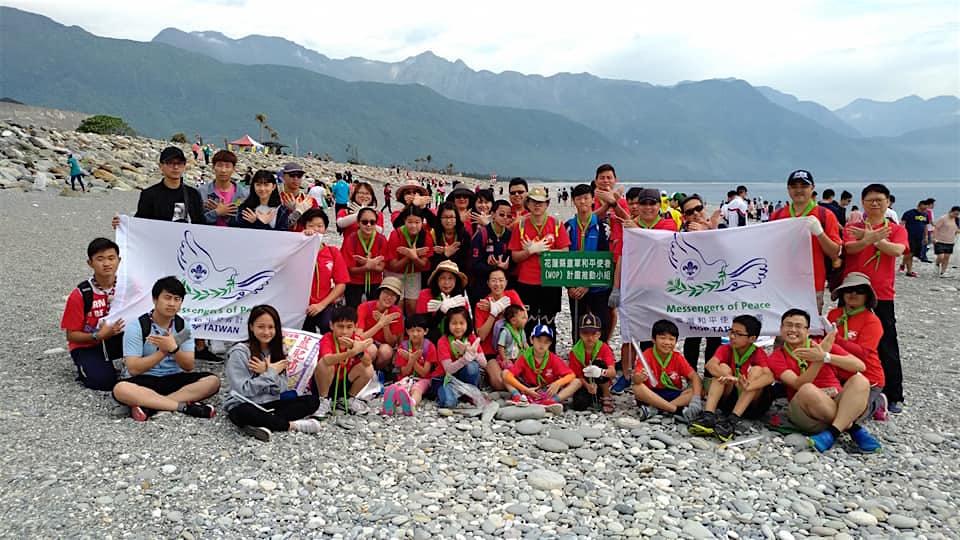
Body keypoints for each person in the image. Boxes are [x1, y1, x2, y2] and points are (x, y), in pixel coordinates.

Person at [765, 309, 881, 453]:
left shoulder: (821, 345)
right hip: (806, 410)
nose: (793, 330)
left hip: (835, 402)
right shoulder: (777, 357)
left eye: (799, 326)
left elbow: (860, 366)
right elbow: (798, 384)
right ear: (781, 329)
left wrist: (826, 356)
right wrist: (818, 360)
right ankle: (853, 428)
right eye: (788, 325)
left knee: (860, 380)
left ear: (807, 330)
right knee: (807, 389)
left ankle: (832, 432)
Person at [112, 276, 220, 421]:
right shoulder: (137, 326)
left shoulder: (183, 327)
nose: (172, 303)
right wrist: (163, 352)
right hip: (144, 379)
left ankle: (151, 405)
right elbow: (133, 368)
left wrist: (174, 349)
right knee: (121, 389)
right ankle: (183, 407)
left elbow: (188, 366)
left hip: (173, 377)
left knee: (213, 382)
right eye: (167, 298)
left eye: (177, 299)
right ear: (155, 299)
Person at [842, 184, 908, 413]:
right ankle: (848, 385)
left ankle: (893, 394)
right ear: (862, 202)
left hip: (881, 295)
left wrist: (873, 239)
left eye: (880, 200)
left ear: (888, 202)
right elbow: (849, 249)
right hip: (850, 290)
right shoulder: (852, 226)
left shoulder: (896, 229)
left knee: (886, 343)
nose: (875, 204)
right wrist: (868, 238)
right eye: (870, 200)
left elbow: (897, 250)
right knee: (846, 339)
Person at [610, 188, 678, 394]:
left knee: (656, 332)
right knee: (629, 333)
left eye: (653, 204)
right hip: (634, 287)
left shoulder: (668, 224)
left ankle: (654, 372)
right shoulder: (629, 227)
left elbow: (662, 242)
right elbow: (621, 257)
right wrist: (616, 288)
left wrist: (638, 232)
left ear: (659, 205)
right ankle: (627, 374)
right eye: (644, 203)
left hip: (659, 288)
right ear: (638, 205)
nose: (648, 208)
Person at [223, 305, 323, 441]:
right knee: (242, 412)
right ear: (251, 327)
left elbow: (281, 389)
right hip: (245, 402)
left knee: (312, 401)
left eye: (271, 327)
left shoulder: (277, 350)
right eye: (261, 327)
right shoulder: (239, 352)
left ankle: (260, 424)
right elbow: (243, 390)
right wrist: (270, 373)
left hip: (270, 402)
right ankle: (292, 425)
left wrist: (266, 371)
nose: (266, 332)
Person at [688, 315, 774, 441]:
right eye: (731, 332)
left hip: (753, 405)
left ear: (752, 338)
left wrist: (749, 385)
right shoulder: (726, 348)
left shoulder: (758, 353)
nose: (732, 336)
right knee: (721, 368)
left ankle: (732, 422)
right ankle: (708, 416)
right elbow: (710, 365)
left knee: (757, 371)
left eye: (738, 334)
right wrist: (729, 377)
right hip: (729, 400)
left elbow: (769, 376)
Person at [769, 170, 841, 313]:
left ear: (812, 188)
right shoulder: (777, 215)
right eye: (794, 186)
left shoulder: (825, 215)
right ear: (788, 189)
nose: (799, 190)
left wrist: (819, 233)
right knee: (782, 329)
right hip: (782, 284)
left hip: (813, 284)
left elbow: (834, 252)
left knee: (808, 330)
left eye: (804, 186)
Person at [508, 186, 571, 343]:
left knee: (548, 321)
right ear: (527, 203)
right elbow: (514, 256)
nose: (537, 205)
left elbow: (565, 252)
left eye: (541, 202)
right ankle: (528, 359)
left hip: (550, 280)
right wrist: (529, 251)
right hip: (527, 281)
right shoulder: (520, 226)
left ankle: (550, 359)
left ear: (547, 204)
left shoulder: (556, 224)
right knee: (527, 321)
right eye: (534, 202)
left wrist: (544, 252)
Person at [61, 238, 125, 390]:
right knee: (104, 382)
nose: (107, 264)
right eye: (100, 259)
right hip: (89, 344)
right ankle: (86, 369)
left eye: (111, 258)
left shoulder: (127, 286)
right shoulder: (81, 294)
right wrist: (98, 336)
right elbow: (71, 335)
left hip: (122, 339)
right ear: (90, 263)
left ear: (119, 260)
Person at [826, 272, 888, 420]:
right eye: (849, 290)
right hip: (838, 374)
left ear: (867, 296)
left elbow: (862, 353)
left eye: (860, 291)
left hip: (868, 377)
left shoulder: (872, 321)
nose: (853, 294)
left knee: (852, 416)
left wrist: (836, 339)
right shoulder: (833, 314)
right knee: (827, 411)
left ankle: (877, 403)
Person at [676, 194, 723, 375]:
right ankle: (691, 377)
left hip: (716, 293)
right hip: (692, 294)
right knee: (692, 337)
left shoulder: (720, 229)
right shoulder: (680, 236)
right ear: (684, 217)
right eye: (690, 212)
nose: (695, 214)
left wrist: (711, 231)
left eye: (698, 209)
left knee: (714, 337)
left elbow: (728, 254)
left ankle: (710, 378)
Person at [564, 183, 612, 340]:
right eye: (579, 199)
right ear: (573, 201)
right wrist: (570, 286)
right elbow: (563, 259)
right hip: (575, 285)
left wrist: (588, 283)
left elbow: (607, 260)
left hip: (599, 286)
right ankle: (577, 358)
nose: (582, 202)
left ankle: (601, 358)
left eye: (586, 198)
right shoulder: (568, 227)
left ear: (593, 200)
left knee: (601, 322)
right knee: (578, 323)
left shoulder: (603, 227)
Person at [631, 319, 703, 421]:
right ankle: (676, 410)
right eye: (662, 338)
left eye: (671, 339)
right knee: (637, 388)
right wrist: (639, 378)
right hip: (652, 394)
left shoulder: (677, 357)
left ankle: (656, 409)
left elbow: (694, 376)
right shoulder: (646, 355)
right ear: (653, 339)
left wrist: (696, 399)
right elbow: (636, 379)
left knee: (696, 389)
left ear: (676, 341)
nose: (667, 342)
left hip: (673, 394)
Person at [312, 306, 375, 416]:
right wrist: (352, 352)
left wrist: (358, 351)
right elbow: (327, 360)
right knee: (325, 364)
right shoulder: (327, 338)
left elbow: (368, 362)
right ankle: (323, 401)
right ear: (331, 326)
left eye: (349, 327)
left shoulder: (356, 339)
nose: (344, 331)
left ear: (355, 327)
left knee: (368, 368)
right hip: (324, 383)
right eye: (340, 327)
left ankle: (348, 400)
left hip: (345, 383)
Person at [503, 324, 578, 413]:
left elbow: (571, 375)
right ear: (531, 340)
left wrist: (558, 383)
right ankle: (518, 397)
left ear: (550, 344)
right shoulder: (525, 357)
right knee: (505, 373)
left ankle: (552, 401)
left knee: (577, 382)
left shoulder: (553, 358)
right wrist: (525, 389)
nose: (542, 344)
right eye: (539, 340)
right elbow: (508, 376)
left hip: (548, 390)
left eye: (546, 342)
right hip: (528, 388)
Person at [300, 209, 349, 335]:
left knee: (329, 327)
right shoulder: (297, 251)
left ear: (325, 229)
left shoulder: (332, 252)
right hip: (299, 307)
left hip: (324, 304)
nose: (315, 229)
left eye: (319, 226)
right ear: (304, 227)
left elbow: (341, 283)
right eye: (310, 225)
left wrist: (321, 305)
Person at [474, 268, 524, 390]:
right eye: (494, 280)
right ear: (488, 283)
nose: (497, 284)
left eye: (501, 280)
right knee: (499, 383)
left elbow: (523, 320)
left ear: (506, 282)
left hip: (513, 348)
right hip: (490, 351)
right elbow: (482, 336)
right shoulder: (481, 304)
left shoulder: (512, 295)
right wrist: (493, 312)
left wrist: (502, 310)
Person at [131, 147, 204, 224]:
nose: (176, 167)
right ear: (161, 166)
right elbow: (139, 224)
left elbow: (200, 225)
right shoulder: (149, 195)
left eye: (179, 163)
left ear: (184, 166)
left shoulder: (192, 194)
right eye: (170, 163)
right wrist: (121, 224)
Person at [382, 315, 436, 416]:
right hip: (406, 377)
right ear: (407, 332)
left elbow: (424, 373)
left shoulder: (429, 347)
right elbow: (404, 372)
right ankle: (391, 404)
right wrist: (411, 360)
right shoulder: (404, 346)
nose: (415, 334)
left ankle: (412, 403)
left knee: (417, 389)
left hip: (423, 379)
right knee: (400, 387)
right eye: (412, 331)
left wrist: (412, 359)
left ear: (426, 331)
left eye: (419, 330)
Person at [385, 206, 434, 315]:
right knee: (398, 305)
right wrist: (410, 256)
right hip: (394, 274)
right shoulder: (396, 234)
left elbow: (423, 265)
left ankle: (411, 330)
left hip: (414, 272)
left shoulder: (426, 236)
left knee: (412, 306)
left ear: (422, 222)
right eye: (409, 222)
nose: (413, 226)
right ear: (404, 221)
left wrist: (414, 256)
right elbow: (393, 266)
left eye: (417, 222)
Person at [434, 306, 487, 408]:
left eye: (461, 323)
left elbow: (484, 363)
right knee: (449, 403)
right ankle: (452, 394)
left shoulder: (472, 338)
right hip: (446, 379)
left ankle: (468, 394)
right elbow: (448, 369)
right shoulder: (443, 341)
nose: (458, 327)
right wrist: (464, 358)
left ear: (467, 324)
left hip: (464, 378)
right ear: (448, 324)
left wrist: (472, 354)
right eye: (454, 323)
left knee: (472, 366)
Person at [567, 313, 616, 413]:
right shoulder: (575, 352)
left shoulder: (604, 348)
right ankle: (595, 396)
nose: (590, 337)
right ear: (580, 334)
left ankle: (606, 395)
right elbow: (576, 375)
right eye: (585, 333)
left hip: (601, 380)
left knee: (599, 363)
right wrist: (587, 386)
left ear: (599, 334)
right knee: (579, 405)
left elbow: (612, 372)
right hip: (585, 382)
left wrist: (601, 372)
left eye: (594, 333)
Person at [355, 276, 404, 375]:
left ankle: (376, 373)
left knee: (386, 351)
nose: (389, 297)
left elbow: (392, 343)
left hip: (383, 345)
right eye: (386, 292)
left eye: (393, 295)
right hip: (366, 343)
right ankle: (365, 373)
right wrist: (380, 324)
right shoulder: (364, 307)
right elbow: (359, 337)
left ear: (397, 299)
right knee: (371, 349)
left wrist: (385, 326)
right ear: (379, 293)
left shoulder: (397, 312)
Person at [341, 207, 388, 306]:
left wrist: (367, 265)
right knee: (353, 311)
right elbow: (349, 269)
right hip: (354, 282)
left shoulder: (381, 239)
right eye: (364, 222)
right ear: (358, 223)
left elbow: (382, 268)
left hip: (375, 281)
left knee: (373, 311)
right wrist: (368, 266)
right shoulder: (351, 239)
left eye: (372, 222)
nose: (369, 225)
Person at [416, 260, 471, 343]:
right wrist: (441, 312)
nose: (446, 282)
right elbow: (421, 326)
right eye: (443, 278)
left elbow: (466, 326)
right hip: (431, 340)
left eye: (450, 278)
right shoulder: (425, 294)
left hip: (455, 340)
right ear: (436, 280)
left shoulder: (459, 298)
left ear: (456, 281)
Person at [470, 199, 512, 300]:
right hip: (482, 286)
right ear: (493, 214)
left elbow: (513, 260)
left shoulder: (510, 235)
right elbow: (474, 264)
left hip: (502, 287)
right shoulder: (481, 235)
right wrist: (494, 267)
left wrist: (507, 266)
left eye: (508, 216)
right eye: (501, 214)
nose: (505, 218)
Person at [198, 150, 248, 226]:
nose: (223, 170)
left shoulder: (244, 194)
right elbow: (196, 220)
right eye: (219, 165)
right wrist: (217, 212)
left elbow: (245, 222)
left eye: (227, 166)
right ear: (213, 167)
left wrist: (226, 214)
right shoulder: (202, 192)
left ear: (233, 169)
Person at [430, 202, 473, 282]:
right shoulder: (433, 235)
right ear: (439, 218)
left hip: (459, 276)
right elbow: (431, 263)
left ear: (457, 218)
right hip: (438, 277)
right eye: (445, 217)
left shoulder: (464, 235)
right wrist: (445, 255)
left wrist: (450, 254)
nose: (449, 221)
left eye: (452, 217)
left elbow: (467, 260)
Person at [278, 162, 318, 230]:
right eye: (292, 175)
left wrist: (295, 209)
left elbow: (317, 224)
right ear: (284, 177)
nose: (296, 178)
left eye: (299, 176)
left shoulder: (310, 201)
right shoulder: (276, 199)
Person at [900, 200, 930, 277]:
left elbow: (926, 226)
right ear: (919, 205)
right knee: (910, 253)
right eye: (924, 206)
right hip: (909, 236)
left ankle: (903, 264)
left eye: (927, 207)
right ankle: (909, 272)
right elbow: (902, 224)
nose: (925, 208)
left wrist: (926, 237)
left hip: (919, 237)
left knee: (911, 254)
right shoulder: (909, 213)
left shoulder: (925, 215)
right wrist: (900, 234)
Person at [932, 206, 960, 277]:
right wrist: (934, 238)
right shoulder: (943, 218)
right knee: (941, 256)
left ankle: (943, 272)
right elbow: (936, 228)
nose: (956, 215)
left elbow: (957, 230)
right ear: (951, 211)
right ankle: (937, 265)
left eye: (957, 214)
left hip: (950, 241)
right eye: (955, 214)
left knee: (947, 257)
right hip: (939, 240)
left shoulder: (957, 220)